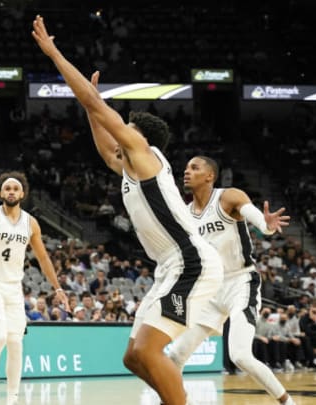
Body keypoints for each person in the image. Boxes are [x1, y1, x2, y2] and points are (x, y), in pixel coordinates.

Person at [32, 16, 223, 405]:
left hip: (190, 262)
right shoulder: (129, 165)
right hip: (169, 265)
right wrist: (92, 107)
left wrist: (53, 53)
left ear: (141, 138)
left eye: (127, 128)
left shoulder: (146, 155)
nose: (120, 132)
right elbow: (103, 142)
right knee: (133, 357)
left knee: (149, 352)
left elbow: (97, 109)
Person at [164, 156, 295, 404]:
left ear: (210, 176)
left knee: (240, 355)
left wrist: (266, 226)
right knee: (175, 356)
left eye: (194, 167)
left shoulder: (228, 197)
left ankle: (289, 402)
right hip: (210, 290)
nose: (186, 172)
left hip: (240, 283)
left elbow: (260, 222)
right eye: (185, 168)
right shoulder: (185, 214)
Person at [0, 172, 68, 405]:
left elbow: (43, 258)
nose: (11, 191)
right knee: (0, 337)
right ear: (0, 193)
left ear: (22, 194)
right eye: (7, 188)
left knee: (16, 342)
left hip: (14, 287)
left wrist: (58, 288)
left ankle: (12, 398)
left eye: (15, 189)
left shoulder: (31, 223)